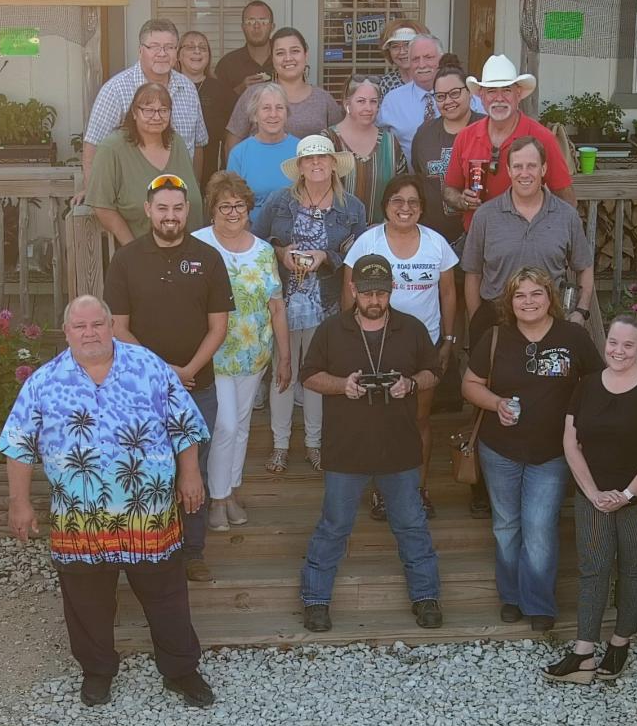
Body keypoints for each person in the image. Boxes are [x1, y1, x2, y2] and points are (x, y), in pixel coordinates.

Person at [0, 295, 215, 708]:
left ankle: (181, 671)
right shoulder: (44, 381)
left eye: (97, 324)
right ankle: (97, 672)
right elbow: (18, 444)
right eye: (79, 327)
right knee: (86, 602)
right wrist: (19, 502)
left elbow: (184, 425)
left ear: (111, 324)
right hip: (80, 522)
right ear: (66, 333)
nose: (89, 333)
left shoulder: (148, 367)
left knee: (167, 598)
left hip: (148, 516)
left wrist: (190, 474)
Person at [299, 254, 443, 633]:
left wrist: (410, 383)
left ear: (392, 289)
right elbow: (309, 375)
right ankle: (315, 601)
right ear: (352, 289)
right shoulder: (331, 330)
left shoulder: (411, 328)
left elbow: (434, 372)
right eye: (366, 292)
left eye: (381, 291)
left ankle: (426, 597)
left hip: (400, 448)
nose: (374, 299)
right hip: (346, 449)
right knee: (334, 526)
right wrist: (342, 385)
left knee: (412, 525)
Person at [104, 174, 235, 583]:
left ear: (187, 211)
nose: (170, 215)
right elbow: (117, 327)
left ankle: (192, 552)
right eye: (162, 208)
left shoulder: (209, 257)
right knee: (144, 468)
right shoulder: (126, 259)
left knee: (192, 469)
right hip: (142, 389)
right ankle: (148, 548)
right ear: (148, 210)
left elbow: (219, 327)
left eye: (178, 208)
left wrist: (189, 371)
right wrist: (164, 373)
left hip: (199, 386)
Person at [461, 267, 603, 632]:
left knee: (539, 526)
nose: (528, 301)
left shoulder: (572, 336)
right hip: (500, 448)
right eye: (520, 295)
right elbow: (470, 384)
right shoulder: (495, 337)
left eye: (536, 293)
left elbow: (596, 384)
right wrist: (495, 404)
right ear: (510, 302)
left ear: (550, 298)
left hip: (553, 452)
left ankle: (539, 602)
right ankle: (510, 597)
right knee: (506, 525)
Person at [543, 313, 637, 684]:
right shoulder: (587, 385)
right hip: (594, 494)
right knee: (593, 568)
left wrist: (628, 494)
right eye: (613, 343)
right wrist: (591, 492)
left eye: (628, 345)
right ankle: (583, 651)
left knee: (634, 567)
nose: (618, 351)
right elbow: (570, 442)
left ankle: (620, 642)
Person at [342, 175, 457, 519]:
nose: (405, 208)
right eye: (397, 201)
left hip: (424, 346)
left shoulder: (436, 243)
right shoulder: (368, 241)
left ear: (422, 208)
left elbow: (449, 294)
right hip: (375, 344)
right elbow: (349, 289)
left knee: (419, 420)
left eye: (413, 202)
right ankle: (382, 492)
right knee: (381, 420)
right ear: (385, 206)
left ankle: (418, 490)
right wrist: (352, 337)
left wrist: (449, 340)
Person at [252, 135, 367, 473]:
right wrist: (280, 252)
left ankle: (314, 444)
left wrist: (325, 256)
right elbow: (256, 243)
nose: (316, 164)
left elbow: (356, 254)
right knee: (282, 372)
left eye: (323, 158)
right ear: (299, 167)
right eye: (309, 159)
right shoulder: (277, 201)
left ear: (334, 164)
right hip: (283, 301)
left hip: (326, 301)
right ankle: (280, 444)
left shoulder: (353, 207)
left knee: (317, 376)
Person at [193, 171, 291, 530]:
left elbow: (277, 306)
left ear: (248, 208)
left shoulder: (263, 251)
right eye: (224, 206)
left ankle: (231, 490)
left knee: (243, 426)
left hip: (254, 354)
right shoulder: (198, 245)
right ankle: (217, 498)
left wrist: (286, 356)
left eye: (239, 206)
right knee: (225, 426)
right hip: (213, 354)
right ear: (212, 210)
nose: (233, 212)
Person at [461, 136, 595, 352]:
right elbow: (473, 273)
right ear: (509, 170)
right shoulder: (485, 216)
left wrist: (581, 311)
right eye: (518, 166)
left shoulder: (566, 216)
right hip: (497, 320)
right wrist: (477, 320)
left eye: (531, 166)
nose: (525, 173)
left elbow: (585, 266)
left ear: (543, 169)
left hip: (551, 320)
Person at [443, 53, 576, 231]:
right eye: (491, 91)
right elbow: (449, 190)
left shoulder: (543, 138)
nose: (499, 98)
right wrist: (462, 200)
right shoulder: (465, 137)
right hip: (477, 241)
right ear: (481, 96)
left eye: (506, 90)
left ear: (518, 94)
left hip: (526, 243)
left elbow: (566, 199)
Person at [82, 18, 208, 187]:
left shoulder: (188, 88)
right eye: (154, 47)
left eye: (169, 47)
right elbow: (93, 147)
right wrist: (93, 193)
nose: (162, 53)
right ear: (140, 51)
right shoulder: (116, 90)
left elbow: (197, 144)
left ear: (176, 52)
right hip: (130, 197)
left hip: (179, 199)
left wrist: (194, 190)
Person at [85, 82, 204, 245]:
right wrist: (133, 251)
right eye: (148, 110)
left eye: (163, 110)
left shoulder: (177, 142)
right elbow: (102, 206)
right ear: (134, 112)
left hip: (190, 250)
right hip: (142, 252)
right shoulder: (112, 149)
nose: (157, 117)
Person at [225, 28, 342, 149]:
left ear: (306, 54)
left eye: (295, 51)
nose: (288, 58)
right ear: (272, 58)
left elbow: (339, 142)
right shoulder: (253, 94)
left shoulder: (323, 99)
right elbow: (233, 141)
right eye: (280, 53)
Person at [410, 62, 486, 247]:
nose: (448, 101)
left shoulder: (487, 128)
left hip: (480, 236)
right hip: (434, 238)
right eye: (441, 96)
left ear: (469, 92)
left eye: (455, 93)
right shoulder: (424, 133)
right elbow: (418, 175)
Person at [378, 35, 485, 164]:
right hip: (413, 179)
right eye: (415, 59)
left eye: (428, 57)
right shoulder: (392, 101)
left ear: (441, 59)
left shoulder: (469, 96)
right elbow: (377, 141)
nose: (422, 65)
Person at [327, 74, 406, 226]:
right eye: (361, 101)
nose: (368, 108)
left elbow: (401, 191)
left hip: (382, 235)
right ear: (346, 104)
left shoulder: (390, 143)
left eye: (373, 102)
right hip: (337, 238)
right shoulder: (329, 141)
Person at [225, 82, 300, 228]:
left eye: (279, 108)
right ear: (254, 115)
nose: (273, 114)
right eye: (266, 108)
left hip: (295, 235)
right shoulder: (239, 154)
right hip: (251, 234)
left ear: (287, 113)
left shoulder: (301, 150)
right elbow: (232, 204)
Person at [176, 31, 237, 188]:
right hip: (172, 173)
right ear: (179, 55)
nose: (197, 51)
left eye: (203, 48)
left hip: (212, 178)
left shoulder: (222, 91)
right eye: (190, 47)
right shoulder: (168, 87)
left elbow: (232, 138)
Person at [214, 0, 277, 96]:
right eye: (250, 21)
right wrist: (240, 90)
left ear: (272, 27)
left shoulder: (284, 59)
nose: (256, 26)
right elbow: (218, 106)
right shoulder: (227, 64)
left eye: (263, 21)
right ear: (243, 27)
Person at [377, 18, 428, 94]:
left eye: (407, 44)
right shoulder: (386, 83)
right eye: (395, 46)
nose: (402, 51)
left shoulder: (434, 79)